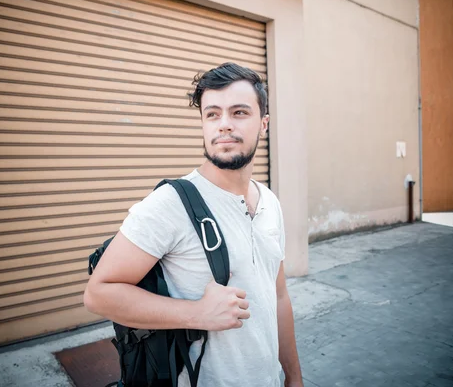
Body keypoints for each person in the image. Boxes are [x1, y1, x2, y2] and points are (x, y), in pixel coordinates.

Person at [84, 62, 304, 387]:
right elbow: (98, 294)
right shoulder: (170, 204)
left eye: (239, 112)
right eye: (212, 114)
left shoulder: (270, 202)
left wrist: (293, 376)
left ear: (263, 124)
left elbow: (279, 295)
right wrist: (197, 314)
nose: (224, 125)